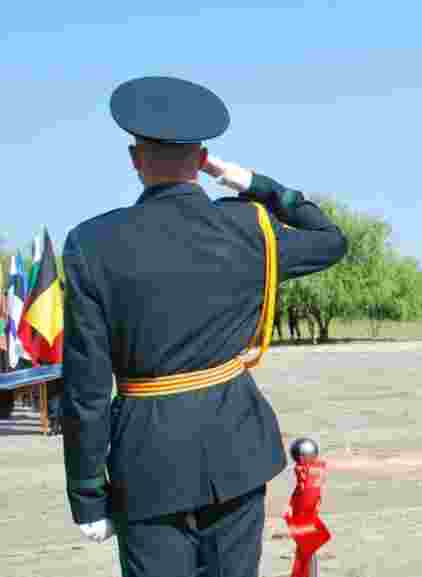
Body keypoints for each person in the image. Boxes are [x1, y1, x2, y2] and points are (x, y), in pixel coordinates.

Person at [61, 76, 348, 577]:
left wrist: (87, 493)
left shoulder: (92, 244)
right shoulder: (247, 227)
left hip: (146, 460)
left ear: (134, 158)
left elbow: (85, 388)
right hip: (235, 449)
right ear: (203, 158)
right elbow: (331, 239)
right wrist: (255, 183)